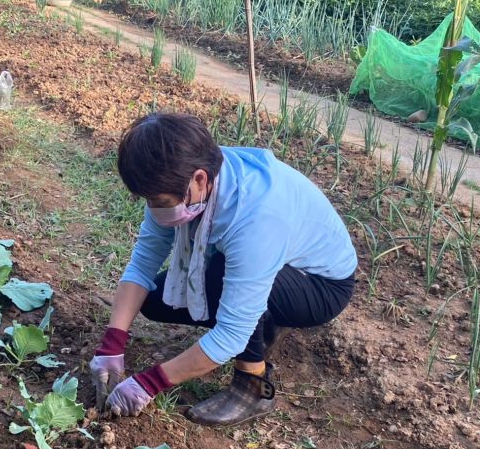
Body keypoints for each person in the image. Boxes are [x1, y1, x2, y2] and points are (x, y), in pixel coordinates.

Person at [89, 112, 358, 427]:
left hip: (320, 286)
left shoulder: (256, 216)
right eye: (147, 200)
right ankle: (264, 317)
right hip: (274, 265)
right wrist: (113, 342)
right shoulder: (180, 175)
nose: (153, 208)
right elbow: (144, 261)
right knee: (153, 300)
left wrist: (150, 383)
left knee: (221, 280)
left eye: (159, 200)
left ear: (200, 180)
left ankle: (253, 384)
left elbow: (230, 334)